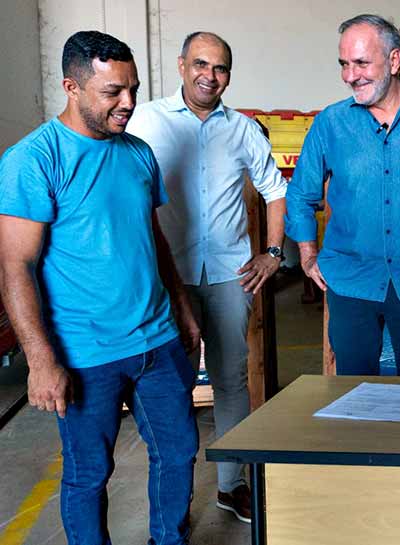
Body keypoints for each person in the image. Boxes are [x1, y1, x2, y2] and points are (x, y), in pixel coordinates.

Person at [0, 31, 200, 544]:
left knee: (177, 454)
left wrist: (181, 305)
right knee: (89, 474)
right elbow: (15, 266)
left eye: (132, 88)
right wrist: (41, 361)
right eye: (113, 92)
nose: (128, 103)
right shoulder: (34, 159)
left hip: (157, 340)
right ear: (71, 87)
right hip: (86, 350)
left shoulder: (136, 152)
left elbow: (149, 236)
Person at [127, 31, 287, 524]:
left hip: (228, 275)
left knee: (231, 381)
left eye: (219, 69)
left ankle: (229, 485)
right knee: (170, 385)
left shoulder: (241, 129)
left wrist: (273, 253)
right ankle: (173, 498)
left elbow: (275, 190)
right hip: (165, 276)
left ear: (228, 76)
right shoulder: (144, 120)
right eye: (201, 64)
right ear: (180, 66)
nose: (209, 76)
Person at [285, 14, 400, 376]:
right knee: (354, 392)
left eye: (362, 63)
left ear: (395, 60)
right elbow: (300, 194)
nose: (350, 75)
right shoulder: (330, 123)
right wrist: (307, 255)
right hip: (350, 279)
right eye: (344, 64)